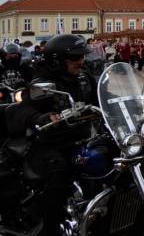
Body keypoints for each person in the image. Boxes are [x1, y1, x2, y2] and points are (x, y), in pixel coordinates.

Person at [8, 34, 97, 235]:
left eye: (82, 57)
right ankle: (51, 228)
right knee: (58, 171)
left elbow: (102, 95)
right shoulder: (43, 83)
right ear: (57, 60)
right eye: (75, 58)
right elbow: (24, 109)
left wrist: (132, 102)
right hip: (50, 144)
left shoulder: (84, 77)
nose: (81, 61)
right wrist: (40, 117)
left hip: (83, 139)